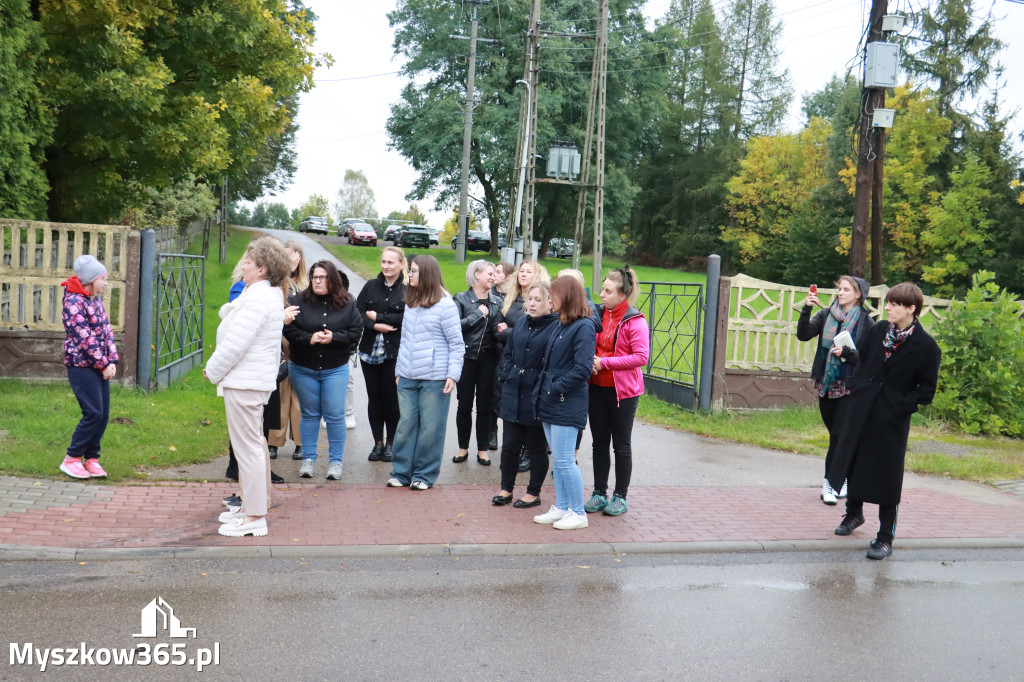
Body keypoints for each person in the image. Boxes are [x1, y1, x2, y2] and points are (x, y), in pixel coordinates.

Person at [828, 282, 941, 560]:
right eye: (887, 302)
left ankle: (885, 537)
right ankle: (854, 514)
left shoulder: (926, 347)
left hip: (891, 419)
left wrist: (898, 407)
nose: (887, 308)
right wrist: (858, 387)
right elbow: (863, 360)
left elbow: (926, 391)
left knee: (887, 475)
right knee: (853, 461)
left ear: (911, 309)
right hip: (862, 408)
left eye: (893, 304)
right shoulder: (878, 330)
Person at [204, 237, 291, 537]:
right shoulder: (263, 295)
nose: (243, 265)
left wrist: (213, 370)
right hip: (249, 380)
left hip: (246, 382)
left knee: (249, 448)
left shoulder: (258, 298)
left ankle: (254, 516)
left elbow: (235, 345)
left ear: (263, 270)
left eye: (249, 262)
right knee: (252, 446)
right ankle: (249, 509)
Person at [387, 255, 464, 490]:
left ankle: (424, 475)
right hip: (408, 376)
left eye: (414, 271)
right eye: (410, 270)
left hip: (435, 378)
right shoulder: (411, 303)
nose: (409, 275)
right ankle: (401, 473)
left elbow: (457, 344)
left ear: (427, 274)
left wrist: (452, 375)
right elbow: (405, 341)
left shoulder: (446, 305)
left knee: (431, 429)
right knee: (405, 426)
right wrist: (399, 370)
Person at [796, 275, 873, 505]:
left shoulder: (866, 322)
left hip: (849, 386)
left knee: (840, 435)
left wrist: (847, 353)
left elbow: (867, 361)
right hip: (827, 384)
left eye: (846, 289)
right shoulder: (826, 315)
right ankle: (843, 476)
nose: (840, 293)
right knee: (835, 435)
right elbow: (803, 335)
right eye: (840, 289)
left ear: (858, 294)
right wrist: (806, 310)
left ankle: (831, 484)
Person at [284, 260, 363, 481]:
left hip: (334, 368)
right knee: (309, 414)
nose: (318, 281)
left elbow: (356, 330)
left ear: (333, 280)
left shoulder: (347, 303)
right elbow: (288, 329)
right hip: (303, 367)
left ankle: (335, 462)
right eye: (315, 277)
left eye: (323, 277)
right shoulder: (298, 301)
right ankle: (308, 459)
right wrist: (308, 339)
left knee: (334, 415)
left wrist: (334, 338)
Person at [584, 266, 650, 518]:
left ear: (623, 295)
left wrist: (604, 362)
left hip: (624, 393)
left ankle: (620, 496)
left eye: (608, 291)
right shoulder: (598, 313)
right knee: (599, 443)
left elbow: (641, 357)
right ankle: (599, 493)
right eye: (602, 288)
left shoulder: (635, 320)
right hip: (596, 389)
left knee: (621, 445)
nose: (602, 294)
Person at [532, 275, 596, 530]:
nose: (550, 300)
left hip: (566, 402)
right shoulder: (561, 323)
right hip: (551, 400)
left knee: (566, 460)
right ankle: (562, 507)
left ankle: (578, 512)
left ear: (567, 296)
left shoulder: (584, 326)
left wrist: (555, 388)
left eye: (553, 296)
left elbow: (582, 369)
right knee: (558, 459)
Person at [491, 281, 558, 508]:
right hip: (513, 390)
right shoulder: (520, 323)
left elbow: (553, 363)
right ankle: (506, 488)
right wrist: (507, 374)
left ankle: (533, 492)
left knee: (535, 446)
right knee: (509, 445)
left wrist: (540, 383)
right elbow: (509, 352)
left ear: (551, 302)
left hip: (536, 395)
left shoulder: (556, 326)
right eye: (530, 299)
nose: (531, 303)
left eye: (538, 300)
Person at [59, 255, 118, 479]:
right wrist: (102, 363)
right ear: (90, 280)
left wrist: (110, 360)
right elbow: (85, 338)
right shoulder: (73, 302)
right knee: (93, 412)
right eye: (102, 279)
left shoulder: (95, 299)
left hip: (100, 364)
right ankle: (71, 458)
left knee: (102, 414)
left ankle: (91, 458)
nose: (105, 283)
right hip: (81, 366)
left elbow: (106, 332)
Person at [497, 260, 550, 471]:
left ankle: (528, 453)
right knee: (511, 413)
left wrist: (508, 330)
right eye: (522, 271)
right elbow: (498, 328)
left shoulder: (543, 304)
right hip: (512, 363)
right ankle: (514, 455)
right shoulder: (511, 298)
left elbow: (533, 331)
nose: (523, 274)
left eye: (529, 271)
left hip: (534, 367)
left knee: (530, 414)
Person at [356, 246, 407, 463]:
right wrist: (376, 325)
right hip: (370, 352)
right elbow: (357, 313)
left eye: (391, 262)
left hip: (393, 353)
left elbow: (407, 317)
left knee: (391, 399)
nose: (386, 266)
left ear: (401, 264)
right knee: (374, 398)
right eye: (384, 262)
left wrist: (379, 316)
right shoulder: (370, 286)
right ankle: (377, 442)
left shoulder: (407, 289)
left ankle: (391, 443)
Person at [452, 260, 505, 466]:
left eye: (494, 274)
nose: (493, 277)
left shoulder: (497, 302)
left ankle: (482, 450)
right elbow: (455, 327)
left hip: (489, 359)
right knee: (464, 405)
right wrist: (478, 314)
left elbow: (499, 330)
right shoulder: (461, 299)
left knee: (485, 406)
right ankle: (462, 448)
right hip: (466, 358)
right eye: (489, 273)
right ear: (476, 274)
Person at [268, 241, 307, 461]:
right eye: (290, 255)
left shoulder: (307, 283)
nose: (294, 259)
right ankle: (274, 441)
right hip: (281, 339)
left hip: (301, 341)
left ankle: (301, 443)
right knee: (280, 392)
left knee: (300, 395)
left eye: (298, 256)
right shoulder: (275, 283)